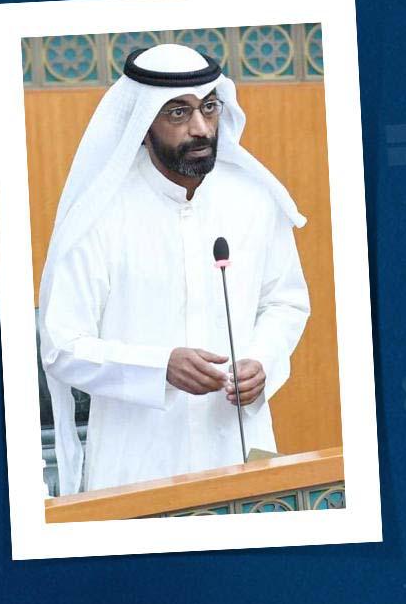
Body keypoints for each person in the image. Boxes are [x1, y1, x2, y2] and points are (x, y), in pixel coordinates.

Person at [39, 44, 310, 495]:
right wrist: (160, 367)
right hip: (136, 465)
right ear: (143, 125)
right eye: (178, 113)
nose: (200, 128)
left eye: (209, 108)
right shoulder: (100, 215)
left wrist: (262, 360)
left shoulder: (254, 199)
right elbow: (62, 346)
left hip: (237, 449)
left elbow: (285, 302)